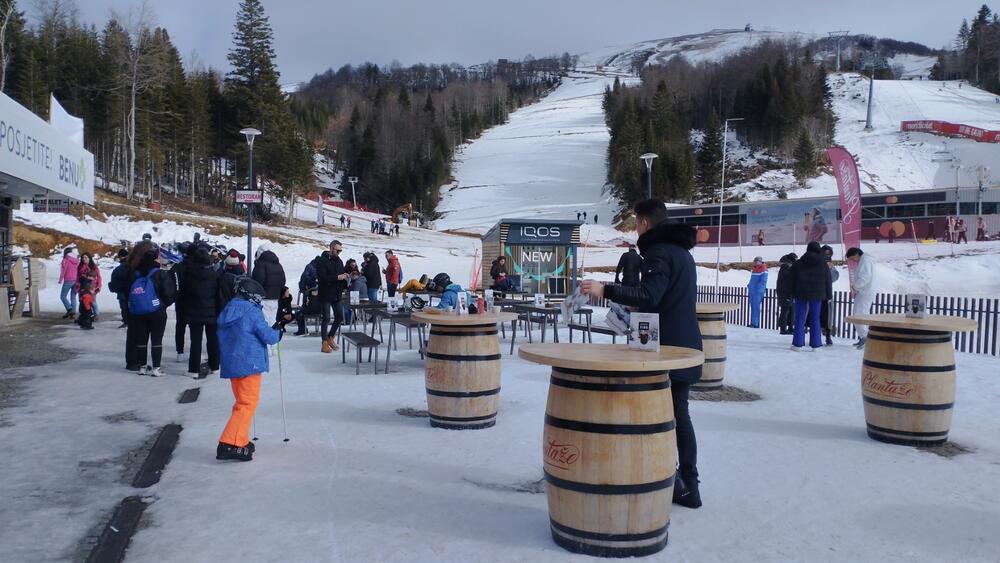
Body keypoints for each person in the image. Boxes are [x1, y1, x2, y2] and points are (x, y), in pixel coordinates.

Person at [580, 199, 703, 509]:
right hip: (683, 344)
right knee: (679, 415)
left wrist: (604, 289)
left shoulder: (659, 252)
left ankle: (673, 481)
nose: (636, 229)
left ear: (645, 223)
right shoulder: (682, 254)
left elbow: (650, 294)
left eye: (637, 223)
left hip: (664, 350)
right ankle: (688, 483)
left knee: (660, 418)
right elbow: (662, 299)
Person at [215, 277, 283, 462]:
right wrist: (278, 332)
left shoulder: (229, 309)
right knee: (247, 403)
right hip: (249, 362)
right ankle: (228, 443)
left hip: (233, 363)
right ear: (251, 296)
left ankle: (239, 439)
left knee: (241, 402)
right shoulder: (251, 312)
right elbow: (268, 336)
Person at [126, 241, 177, 376]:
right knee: (156, 340)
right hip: (157, 311)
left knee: (142, 339)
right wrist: (163, 304)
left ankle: (142, 367)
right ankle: (156, 368)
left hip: (138, 312)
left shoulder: (136, 273)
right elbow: (169, 293)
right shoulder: (160, 274)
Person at [178, 247, 223, 376]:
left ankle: (193, 370)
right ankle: (215, 366)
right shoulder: (214, 275)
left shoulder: (190, 275)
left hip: (194, 313)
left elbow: (184, 295)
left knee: (195, 342)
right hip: (212, 313)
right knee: (213, 340)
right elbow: (218, 296)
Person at [789, 241, 832, 351]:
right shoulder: (823, 264)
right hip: (817, 295)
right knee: (815, 318)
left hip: (801, 293)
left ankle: (797, 344)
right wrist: (829, 296)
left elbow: (791, 280)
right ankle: (816, 345)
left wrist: (791, 293)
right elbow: (828, 281)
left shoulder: (798, 263)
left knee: (799, 318)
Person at [315, 241, 350, 353]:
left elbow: (340, 277)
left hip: (336, 294)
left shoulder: (339, 261)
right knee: (325, 318)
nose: (339, 252)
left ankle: (330, 337)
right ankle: (324, 342)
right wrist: (337, 277)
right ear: (331, 248)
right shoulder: (322, 261)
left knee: (339, 317)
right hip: (325, 293)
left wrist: (346, 279)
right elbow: (322, 278)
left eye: (340, 250)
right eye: (337, 250)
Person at [846, 248, 876, 349]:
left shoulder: (865, 261)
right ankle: (863, 337)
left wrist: (855, 286)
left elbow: (865, 277)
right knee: (861, 314)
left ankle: (864, 337)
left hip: (864, 292)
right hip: (865, 291)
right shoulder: (866, 260)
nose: (853, 261)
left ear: (856, 254)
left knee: (858, 314)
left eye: (852, 258)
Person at [252, 243, 287, 325]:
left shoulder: (260, 264)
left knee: (264, 320)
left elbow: (258, 281)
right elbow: (283, 281)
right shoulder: (278, 264)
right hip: (275, 297)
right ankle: (272, 336)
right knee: (273, 320)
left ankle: (266, 337)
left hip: (264, 297)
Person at [819, 245, 839, 345]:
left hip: (827, 293)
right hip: (817, 293)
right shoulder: (816, 262)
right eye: (825, 254)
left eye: (829, 254)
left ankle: (828, 335)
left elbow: (834, 277)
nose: (827, 256)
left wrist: (830, 269)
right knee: (816, 315)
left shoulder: (830, 264)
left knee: (828, 316)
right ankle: (816, 335)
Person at [108, 249, 131, 329]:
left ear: (121, 257)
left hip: (122, 292)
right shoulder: (134, 266)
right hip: (133, 292)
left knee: (124, 307)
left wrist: (112, 287)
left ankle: (126, 322)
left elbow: (115, 281)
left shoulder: (120, 268)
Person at [76, 252, 102, 319]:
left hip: (92, 287)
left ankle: (96, 314)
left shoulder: (94, 267)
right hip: (82, 286)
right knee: (81, 301)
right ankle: (82, 315)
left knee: (92, 301)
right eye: (82, 258)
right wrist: (77, 284)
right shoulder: (80, 266)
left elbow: (99, 277)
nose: (84, 259)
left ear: (89, 258)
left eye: (86, 257)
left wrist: (98, 286)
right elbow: (77, 277)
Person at [775, 253, 796, 334]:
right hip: (785, 294)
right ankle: (783, 329)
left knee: (791, 310)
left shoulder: (787, 268)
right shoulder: (786, 268)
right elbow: (787, 283)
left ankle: (790, 327)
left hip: (787, 293)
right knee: (785, 311)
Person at [58, 247, 80, 319]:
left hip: (68, 280)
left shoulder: (65, 260)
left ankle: (69, 309)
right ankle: (72, 314)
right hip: (76, 280)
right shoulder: (77, 260)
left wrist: (60, 279)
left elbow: (63, 271)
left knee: (63, 296)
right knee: (73, 297)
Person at [344, 258, 367, 324]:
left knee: (345, 306)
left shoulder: (357, 282)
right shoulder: (359, 280)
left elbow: (355, 293)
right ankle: (352, 318)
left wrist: (348, 290)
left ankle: (349, 320)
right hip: (359, 296)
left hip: (359, 298)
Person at [747, 257, 767, 328]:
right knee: (753, 307)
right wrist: (749, 285)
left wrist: (758, 289)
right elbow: (752, 280)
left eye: (756, 261)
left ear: (760, 262)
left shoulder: (763, 269)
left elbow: (763, 281)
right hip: (753, 291)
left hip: (757, 291)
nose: (755, 263)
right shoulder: (755, 269)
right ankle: (753, 322)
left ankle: (755, 323)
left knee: (756, 307)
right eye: (754, 261)